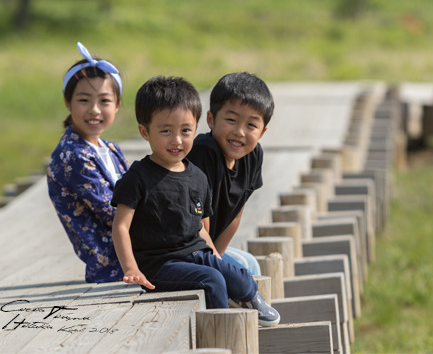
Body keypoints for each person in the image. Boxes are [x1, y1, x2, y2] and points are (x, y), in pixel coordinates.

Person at [110, 76, 280, 326]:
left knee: (239, 276)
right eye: (166, 131)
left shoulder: (197, 176)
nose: (177, 140)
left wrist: (213, 256)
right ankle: (221, 328)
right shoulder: (138, 177)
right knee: (212, 279)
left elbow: (201, 226)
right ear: (145, 132)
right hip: (159, 264)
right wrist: (131, 268)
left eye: (185, 131)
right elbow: (120, 226)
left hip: (193, 253)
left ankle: (247, 296)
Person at [47, 42, 128, 283]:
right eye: (84, 100)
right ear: (67, 102)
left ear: (117, 105)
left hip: (141, 252)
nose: (94, 110)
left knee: (239, 265)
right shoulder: (72, 155)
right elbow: (113, 214)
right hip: (116, 266)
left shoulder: (111, 149)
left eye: (104, 101)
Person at [187, 72, 274, 276]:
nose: (240, 132)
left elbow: (237, 212)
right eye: (231, 120)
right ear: (211, 119)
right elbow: (197, 220)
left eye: (251, 125)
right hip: (183, 249)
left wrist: (218, 254)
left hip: (208, 248)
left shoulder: (253, 156)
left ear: (262, 132)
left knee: (249, 264)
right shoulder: (202, 153)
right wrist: (215, 262)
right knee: (242, 270)